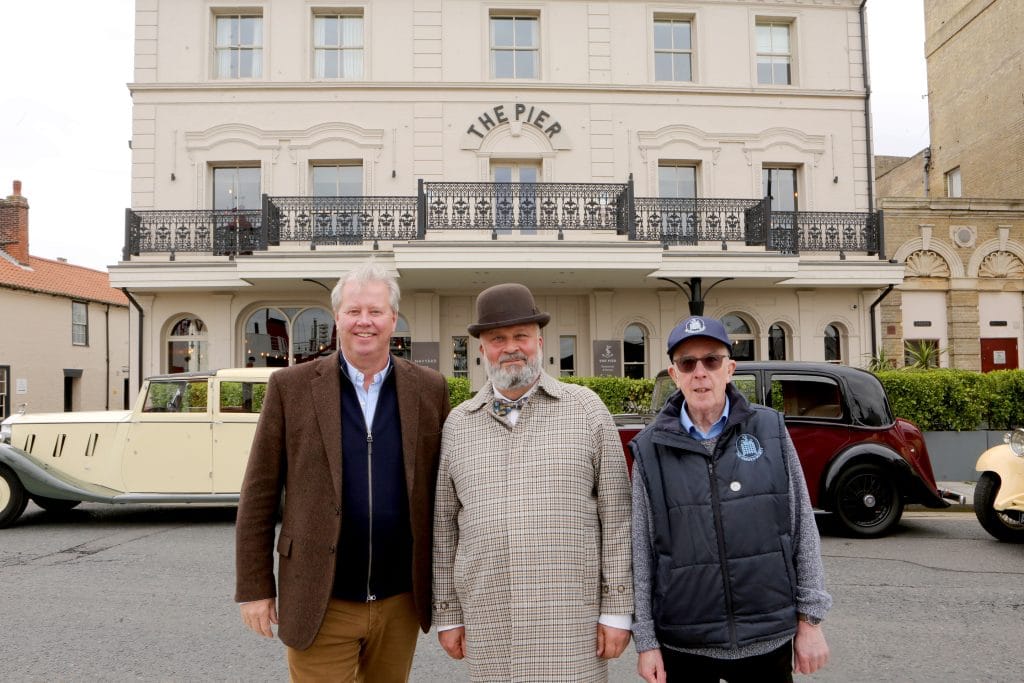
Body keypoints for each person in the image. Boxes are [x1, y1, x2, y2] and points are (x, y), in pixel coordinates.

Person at [235, 260, 450, 681]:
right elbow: (259, 494)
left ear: (393, 318)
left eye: (374, 311)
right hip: (320, 598)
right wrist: (255, 587)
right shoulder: (290, 387)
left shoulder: (429, 389)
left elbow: (443, 493)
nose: (364, 322)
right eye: (353, 312)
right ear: (337, 319)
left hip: (399, 601)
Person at [432, 282, 633, 682]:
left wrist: (617, 609)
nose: (511, 347)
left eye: (521, 335)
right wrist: (448, 614)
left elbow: (618, 518)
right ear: (481, 349)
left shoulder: (586, 410)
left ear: (540, 341)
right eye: (497, 338)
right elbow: (444, 527)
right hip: (490, 619)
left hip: (569, 622)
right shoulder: (458, 423)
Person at [630, 315, 832, 683]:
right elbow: (641, 552)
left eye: (711, 360)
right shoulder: (649, 449)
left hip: (766, 640)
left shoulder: (770, 430)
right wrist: (646, 642)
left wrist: (810, 620)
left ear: (730, 368)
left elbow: (802, 526)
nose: (700, 372)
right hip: (684, 644)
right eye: (687, 363)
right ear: (674, 374)